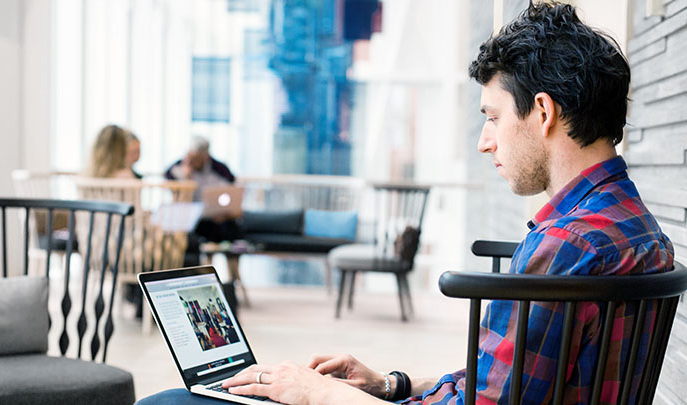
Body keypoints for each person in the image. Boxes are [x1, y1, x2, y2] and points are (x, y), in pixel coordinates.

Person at [138, 3, 674, 404]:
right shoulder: (638, 230)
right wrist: (389, 385)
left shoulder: (564, 247)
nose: (485, 141)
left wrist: (316, 393)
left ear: (542, 111)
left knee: (171, 402)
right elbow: (506, 387)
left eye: (491, 117)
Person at [165, 137, 240, 264]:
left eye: (197, 158)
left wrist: (226, 211)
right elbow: (178, 200)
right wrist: (186, 179)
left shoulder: (220, 169)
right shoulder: (176, 169)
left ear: (206, 156)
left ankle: (234, 277)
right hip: (190, 219)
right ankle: (202, 270)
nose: (193, 161)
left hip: (216, 217)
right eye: (190, 157)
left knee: (230, 228)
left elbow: (233, 192)